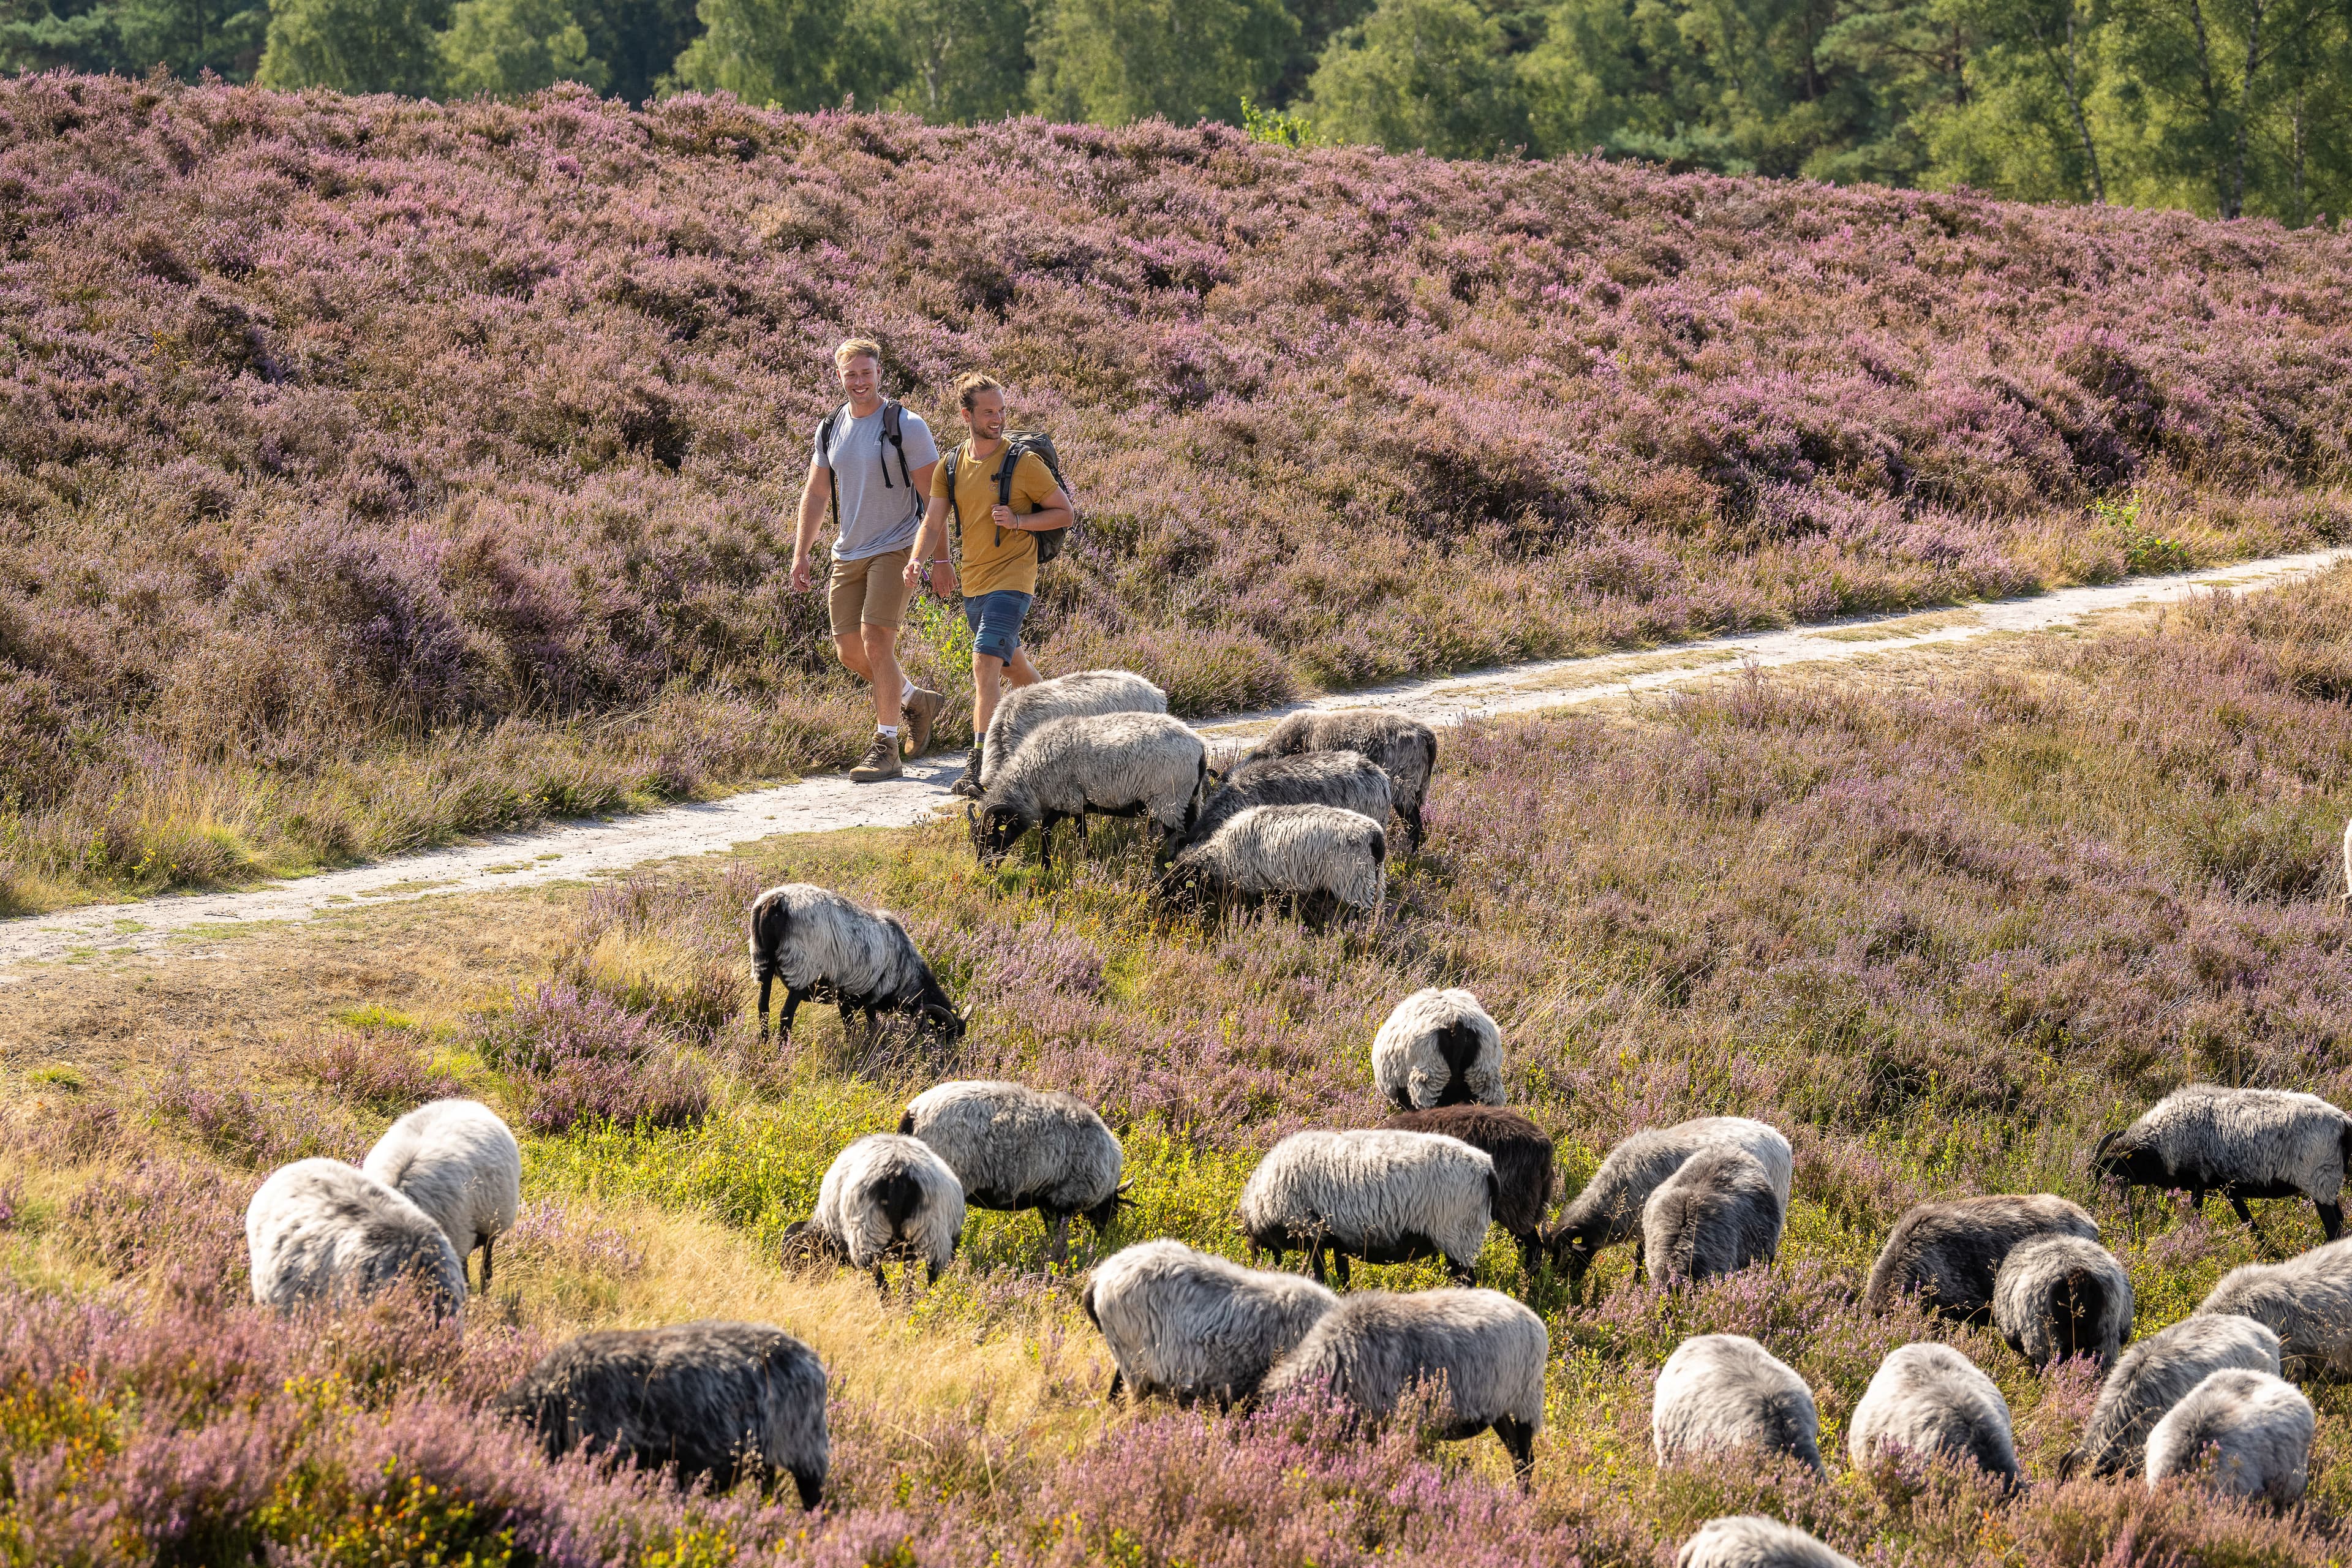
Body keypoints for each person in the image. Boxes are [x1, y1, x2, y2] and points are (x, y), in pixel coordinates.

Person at [904, 373, 1074, 797]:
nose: (998, 419)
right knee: (1013, 666)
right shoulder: (950, 465)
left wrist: (1019, 521)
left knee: (984, 664)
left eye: (1001, 411)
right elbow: (934, 519)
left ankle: (983, 767)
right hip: (975, 581)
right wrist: (917, 560)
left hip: (1014, 578)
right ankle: (1069, 724)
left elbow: (1064, 513)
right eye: (988, 412)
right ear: (967, 415)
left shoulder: (1023, 463)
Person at [791, 338, 946, 783]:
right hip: (848, 551)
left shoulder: (907, 426)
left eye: (866, 373)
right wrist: (802, 552)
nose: (859, 382)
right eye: (850, 374)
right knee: (849, 651)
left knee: (876, 639)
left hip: (898, 545)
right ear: (839, 377)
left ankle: (887, 746)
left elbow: (934, 498)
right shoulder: (830, 427)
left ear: (880, 373)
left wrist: (940, 560)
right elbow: (817, 493)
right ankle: (917, 699)